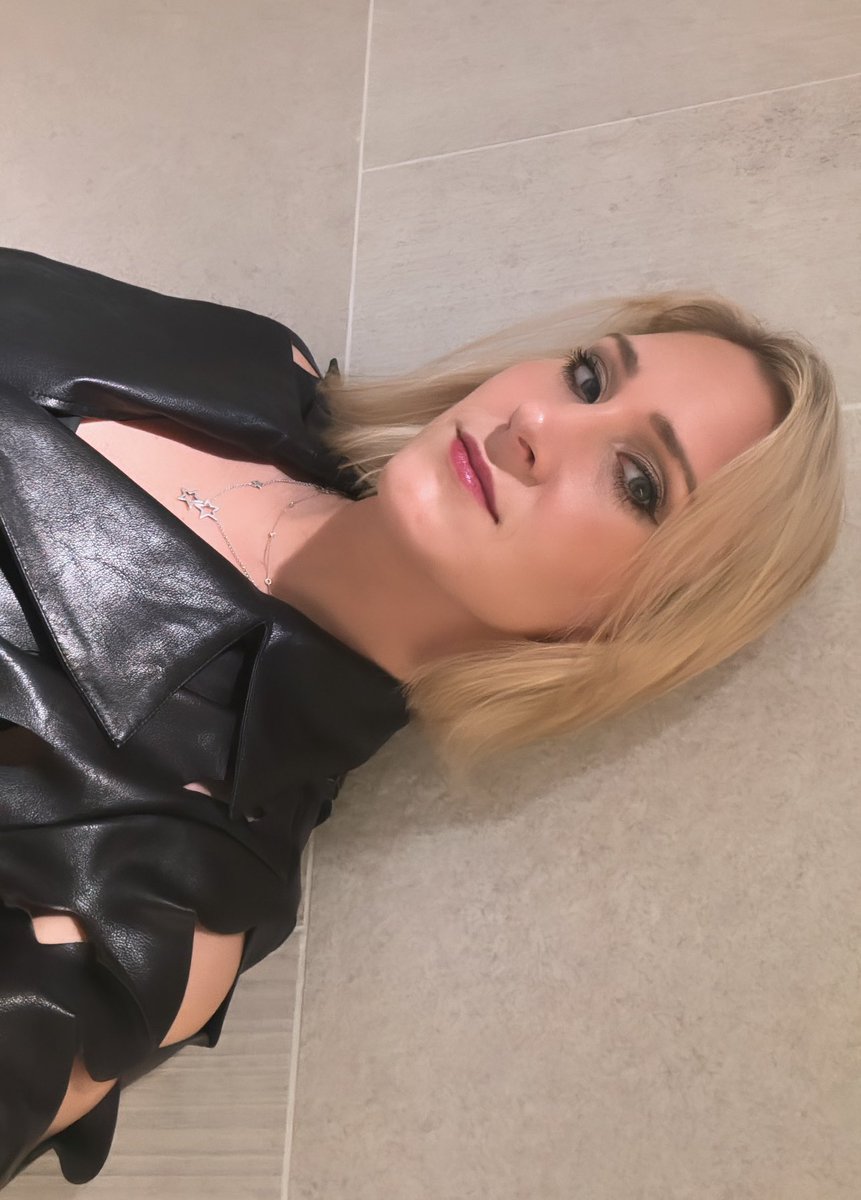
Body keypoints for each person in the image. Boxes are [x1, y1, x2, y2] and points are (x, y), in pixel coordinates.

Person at [0, 248, 845, 1187]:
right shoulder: (257, 365)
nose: (535, 422)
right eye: (587, 377)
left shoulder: (155, 896)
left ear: (628, 625)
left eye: (638, 481)